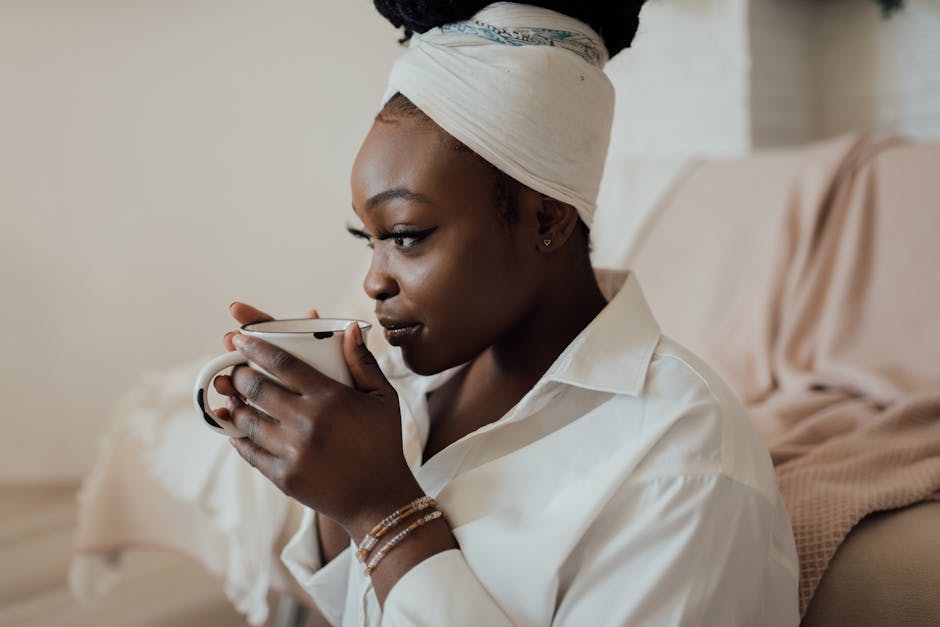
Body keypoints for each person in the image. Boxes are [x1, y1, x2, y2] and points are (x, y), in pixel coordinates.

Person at [211, 2, 800, 625]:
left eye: (407, 234)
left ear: (545, 218)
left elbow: (382, 532)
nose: (373, 281)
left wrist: (383, 511)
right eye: (370, 238)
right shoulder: (407, 394)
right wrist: (331, 479)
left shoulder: (681, 460)